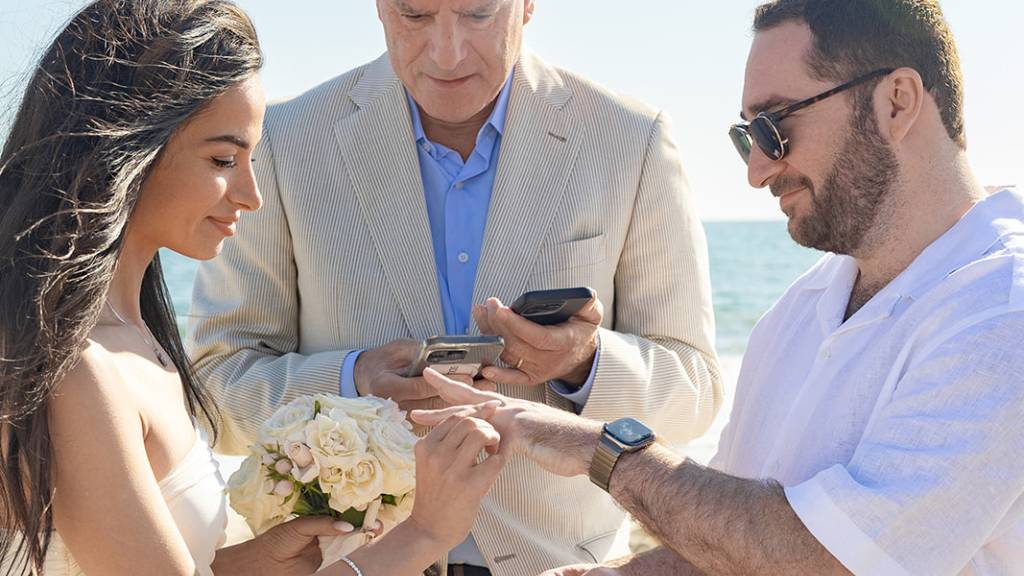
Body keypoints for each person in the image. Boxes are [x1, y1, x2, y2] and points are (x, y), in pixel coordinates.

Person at [412, 0, 1024, 574]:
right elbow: (732, 542)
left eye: (775, 127)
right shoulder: (803, 306)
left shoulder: (1003, 308)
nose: (757, 170)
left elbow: (833, 560)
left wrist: (604, 451)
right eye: (747, 137)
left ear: (896, 102)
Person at [188, 0, 722, 573]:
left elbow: (696, 392)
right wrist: (353, 381)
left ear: (527, 7)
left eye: (478, 14)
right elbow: (215, 392)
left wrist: (583, 362)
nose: (446, 53)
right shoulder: (282, 143)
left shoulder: (631, 141)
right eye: (415, 16)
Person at [0, 1, 504, 575]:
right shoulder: (81, 370)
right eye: (223, 158)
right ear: (125, 148)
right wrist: (425, 533)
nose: (251, 194)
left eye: (253, 159)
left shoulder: (136, 337)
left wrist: (252, 563)